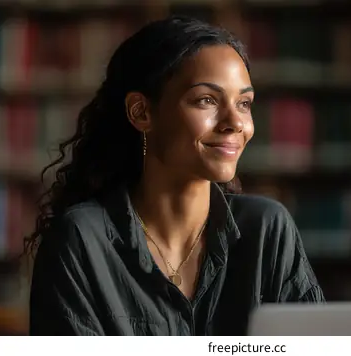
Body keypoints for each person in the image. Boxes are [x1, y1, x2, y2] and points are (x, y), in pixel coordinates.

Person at [26, 15, 325, 336]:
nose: (235, 123)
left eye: (244, 103)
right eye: (206, 100)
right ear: (141, 112)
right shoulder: (81, 240)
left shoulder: (268, 230)